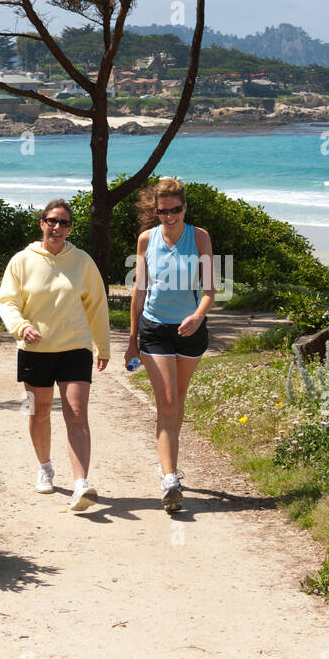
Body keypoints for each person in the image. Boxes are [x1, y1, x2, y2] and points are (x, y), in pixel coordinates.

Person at [0, 198, 110, 513]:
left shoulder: (82, 261)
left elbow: (97, 304)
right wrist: (20, 327)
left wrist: (103, 345)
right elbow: (6, 301)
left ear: (70, 228)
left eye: (64, 223)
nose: (57, 227)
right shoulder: (22, 260)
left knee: (76, 413)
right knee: (39, 412)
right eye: (52, 221)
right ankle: (45, 466)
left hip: (75, 347)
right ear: (42, 224)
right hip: (34, 350)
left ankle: (81, 485)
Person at [125, 177, 215, 511]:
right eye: (163, 211)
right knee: (166, 402)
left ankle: (170, 459)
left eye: (175, 210)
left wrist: (198, 316)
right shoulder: (146, 240)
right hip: (154, 329)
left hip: (190, 330)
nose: (170, 216)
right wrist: (132, 340)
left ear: (184, 207)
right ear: (156, 210)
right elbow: (139, 291)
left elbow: (209, 292)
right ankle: (169, 479)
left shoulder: (200, 237)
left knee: (177, 400)